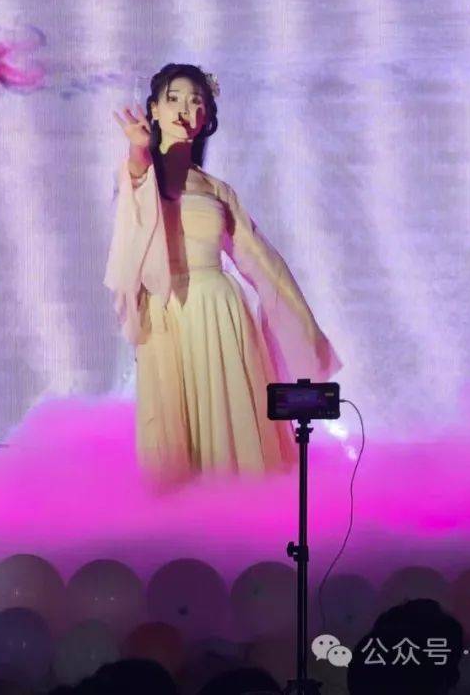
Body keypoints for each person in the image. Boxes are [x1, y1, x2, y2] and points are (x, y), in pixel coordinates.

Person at [105, 63, 342, 485]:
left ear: (206, 118)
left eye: (196, 102)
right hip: (167, 313)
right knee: (174, 433)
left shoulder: (217, 189)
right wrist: (139, 152)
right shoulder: (141, 173)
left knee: (228, 425)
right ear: (154, 110)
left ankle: (235, 512)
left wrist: (304, 324)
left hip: (219, 310)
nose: (185, 110)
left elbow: (261, 259)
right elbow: (136, 199)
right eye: (174, 99)